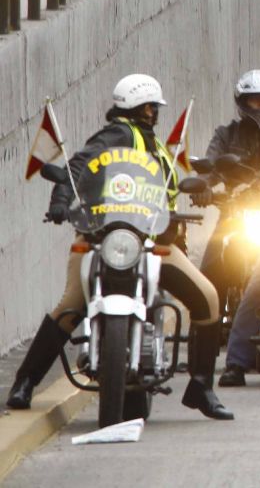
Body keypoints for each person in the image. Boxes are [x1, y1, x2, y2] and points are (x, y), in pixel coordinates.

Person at [8, 74, 234, 420]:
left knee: (208, 297)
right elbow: (80, 164)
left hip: (151, 241)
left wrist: (200, 190)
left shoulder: (154, 145)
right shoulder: (118, 135)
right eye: (149, 107)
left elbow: (170, 187)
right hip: (103, 239)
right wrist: (62, 198)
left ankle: (202, 386)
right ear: (138, 108)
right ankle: (24, 381)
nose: (153, 113)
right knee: (70, 306)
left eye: (154, 108)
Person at [200, 69, 260, 388]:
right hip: (235, 213)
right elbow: (211, 164)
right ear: (243, 102)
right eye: (255, 99)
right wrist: (204, 186)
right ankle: (205, 347)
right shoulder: (227, 134)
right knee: (209, 270)